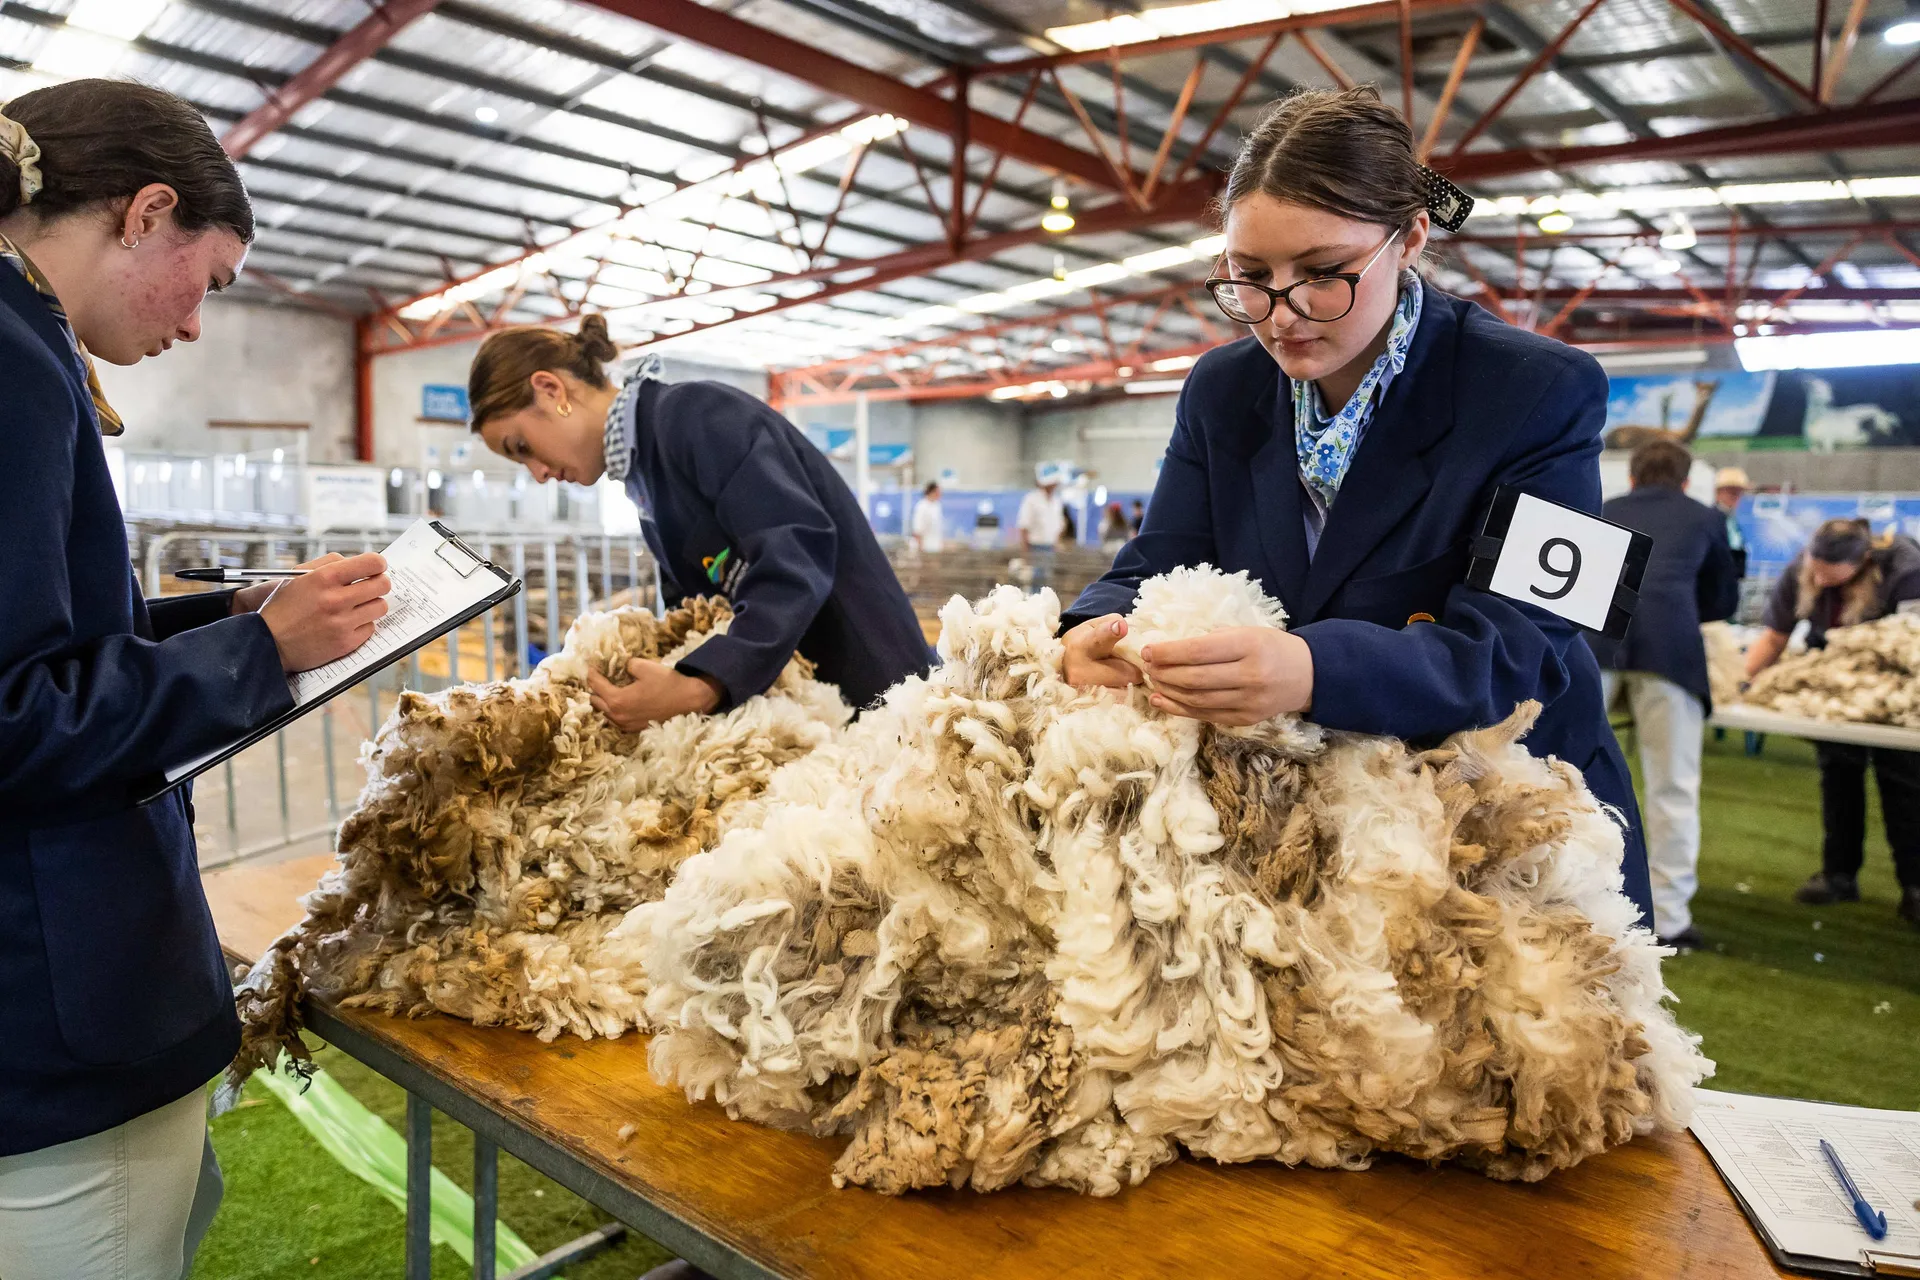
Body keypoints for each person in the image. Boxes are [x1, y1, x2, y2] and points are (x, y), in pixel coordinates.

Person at [1059, 85, 1655, 927]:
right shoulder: (1222, 389)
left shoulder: (1546, 388)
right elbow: (1157, 561)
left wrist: (1311, 670)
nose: (1282, 312)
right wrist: (1088, 629)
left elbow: (1528, 650)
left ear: (1408, 237)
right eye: (1249, 278)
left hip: (1507, 817)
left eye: (1324, 275)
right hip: (1321, 823)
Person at [0, 80, 390, 1279]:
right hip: (52, 1014)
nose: (199, 323)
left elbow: (43, 633)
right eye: (209, 279)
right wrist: (257, 652)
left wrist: (221, 614)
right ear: (146, 211)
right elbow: (14, 716)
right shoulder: (11, 360)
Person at [468, 319, 930, 724]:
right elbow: (701, 609)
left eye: (522, 447)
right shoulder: (647, 476)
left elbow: (795, 557)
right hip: (812, 709)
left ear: (552, 391)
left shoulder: (696, 418)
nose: (540, 474)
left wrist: (700, 684)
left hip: (876, 700)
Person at [1588, 440, 1740, 951]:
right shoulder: (1705, 517)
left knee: (1571, 773)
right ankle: (1669, 918)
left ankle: (1575, 899)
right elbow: (1722, 598)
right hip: (1670, 650)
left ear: (1632, 477)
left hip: (1596, 646)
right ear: (1684, 479)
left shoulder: (1605, 509)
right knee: (1672, 783)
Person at [1745, 518, 1920, 926]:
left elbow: (1912, 641)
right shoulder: (1801, 572)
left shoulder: (1906, 570)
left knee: (1905, 783)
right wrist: (1743, 680)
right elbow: (1775, 636)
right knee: (1838, 774)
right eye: (1815, 565)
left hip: (1893, 688)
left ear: (1861, 561)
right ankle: (1839, 875)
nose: (1819, 576)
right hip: (1834, 685)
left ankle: (1915, 885)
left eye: (1830, 570)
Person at [1016, 463, 1067, 593]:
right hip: (1035, 548)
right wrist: (1025, 553)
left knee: (1047, 582)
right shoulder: (1031, 499)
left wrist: (1057, 542)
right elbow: (1024, 527)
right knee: (1035, 581)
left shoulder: (1056, 501)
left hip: (1050, 548)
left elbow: (1059, 524)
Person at [1714, 465, 1749, 578]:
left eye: (1738, 492)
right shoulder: (1711, 520)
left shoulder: (1735, 520)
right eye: (1731, 492)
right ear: (1718, 493)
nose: (1735, 497)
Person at [910, 480, 944, 555]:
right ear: (931, 492)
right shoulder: (921, 506)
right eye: (938, 492)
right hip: (923, 546)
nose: (940, 494)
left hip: (934, 546)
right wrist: (920, 546)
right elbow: (917, 529)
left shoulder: (937, 506)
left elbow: (938, 527)